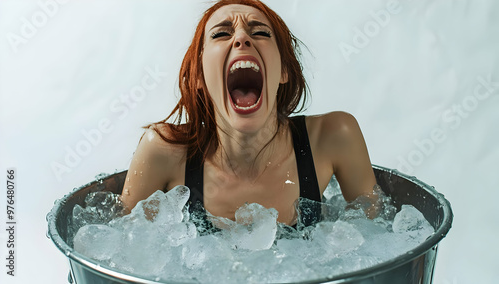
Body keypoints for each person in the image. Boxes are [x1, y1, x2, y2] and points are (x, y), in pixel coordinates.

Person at [120, 0, 378, 226]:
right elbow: (121, 252)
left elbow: (380, 240)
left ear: (284, 70)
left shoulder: (333, 138)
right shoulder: (164, 151)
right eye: (221, 34)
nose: (242, 38)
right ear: (199, 74)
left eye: (261, 32)